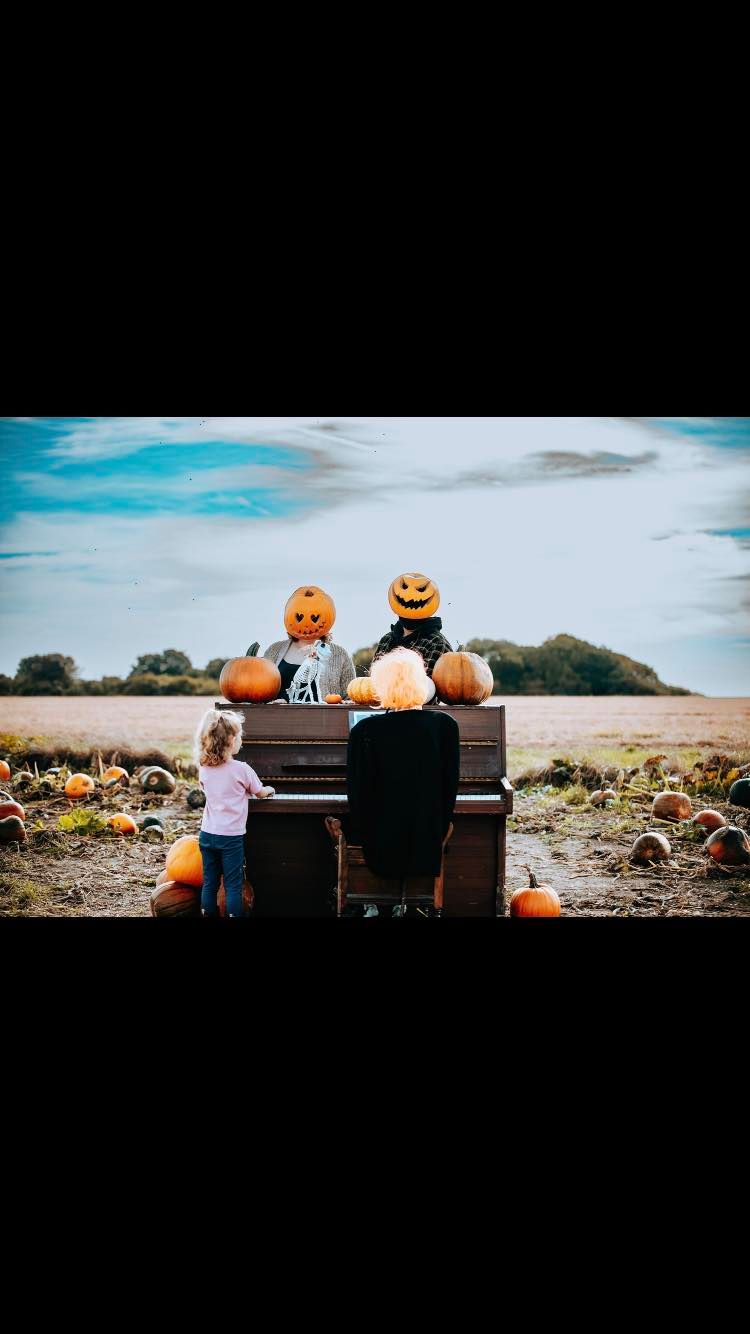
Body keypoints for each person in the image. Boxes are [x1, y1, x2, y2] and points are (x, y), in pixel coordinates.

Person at [346, 648, 460, 917]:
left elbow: (357, 795)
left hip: (380, 843)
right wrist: (436, 825)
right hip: (428, 837)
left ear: (380, 686)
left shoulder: (364, 730)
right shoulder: (446, 726)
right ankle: (409, 904)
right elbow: (449, 788)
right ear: (422, 682)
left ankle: (370, 901)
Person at [194, 709, 275, 918]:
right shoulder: (242, 769)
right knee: (233, 884)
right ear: (229, 741)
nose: (241, 739)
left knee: (210, 882)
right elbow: (260, 792)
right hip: (231, 838)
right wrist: (269, 789)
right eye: (238, 736)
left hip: (207, 835)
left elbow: (213, 790)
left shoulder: (203, 768)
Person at [371, 572, 455, 704]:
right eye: (404, 588)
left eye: (421, 590)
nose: (410, 597)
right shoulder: (387, 640)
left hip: (421, 715)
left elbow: (429, 691)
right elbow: (374, 682)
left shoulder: (437, 643)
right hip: (384, 713)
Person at [263, 584, 356, 703]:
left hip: (324, 720)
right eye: (299, 617)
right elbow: (261, 692)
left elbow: (351, 697)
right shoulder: (274, 650)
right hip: (281, 719)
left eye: (315, 618)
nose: (307, 625)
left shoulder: (340, 654)